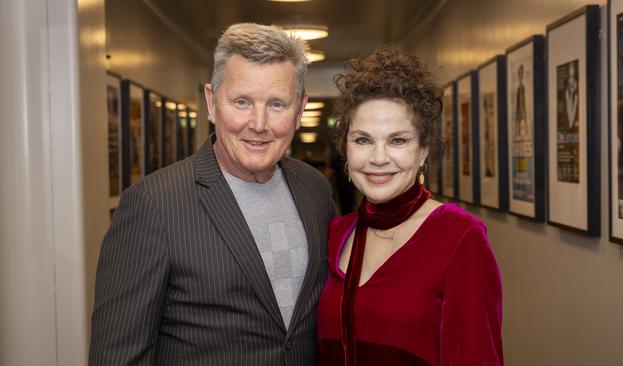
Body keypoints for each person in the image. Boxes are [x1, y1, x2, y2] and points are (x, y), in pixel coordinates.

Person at [89, 23, 335, 365]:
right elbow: (118, 356)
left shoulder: (314, 188)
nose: (259, 123)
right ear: (212, 102)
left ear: (300, 109)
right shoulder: (154, 204)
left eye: (277, 104)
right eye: (242, 101)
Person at [317, 47, 503, 365]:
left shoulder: (460, 237)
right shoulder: (337, 232)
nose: (378, 158)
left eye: (398, 140)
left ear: (423, 151)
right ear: (345, 149)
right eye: (362, 140)